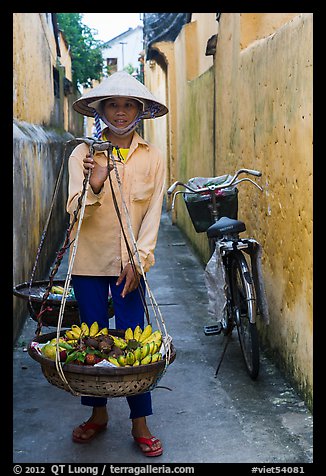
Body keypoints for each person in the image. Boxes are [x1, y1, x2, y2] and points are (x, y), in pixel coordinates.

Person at [67, 71, 168, 456]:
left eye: (128, 105)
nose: (121, 112)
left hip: (130, 266)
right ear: (101, 109)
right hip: (89, 262)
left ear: (140, 111)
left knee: (132, 340)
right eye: (113, 104)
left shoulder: (151, 157)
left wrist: (139, 260)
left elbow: (153, 213)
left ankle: (140, 421)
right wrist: (94, 182)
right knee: (92, 341)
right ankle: (97, 415)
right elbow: (72, 210)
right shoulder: (83, 153)